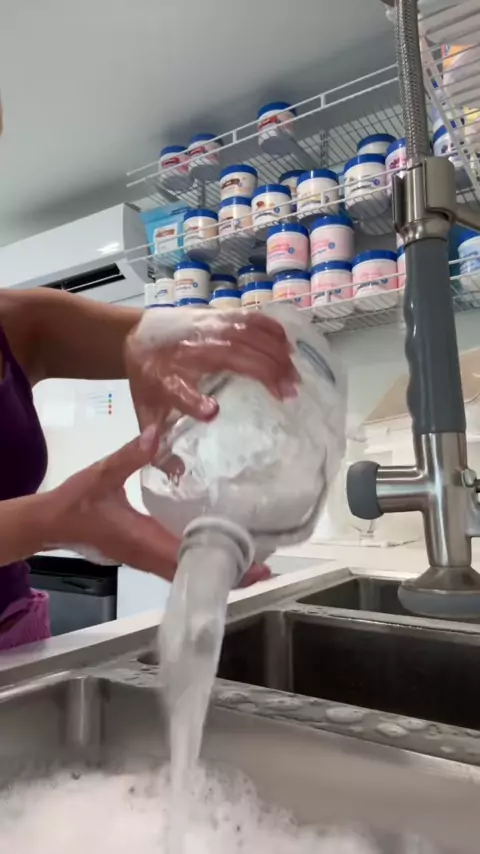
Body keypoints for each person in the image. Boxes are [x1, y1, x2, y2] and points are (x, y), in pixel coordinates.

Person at [0, 127, 299, 653]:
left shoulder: (20, 323)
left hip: (16, 639)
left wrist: (177, 339)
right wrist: (53, 519)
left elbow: (157, 339)